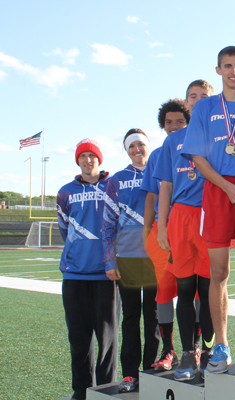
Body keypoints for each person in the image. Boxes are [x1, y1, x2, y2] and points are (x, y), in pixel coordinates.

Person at [181, 46, 235, 374]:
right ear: (218, 70)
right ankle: (221, 346)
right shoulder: (204, 108)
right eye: (228, 66)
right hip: (217, 194)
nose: (234, 71)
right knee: (218, 273)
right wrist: (227, 187)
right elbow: (198, 158)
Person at [154, 79, 215, 381]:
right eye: (193, 96)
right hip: (180, 218)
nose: (198, 100)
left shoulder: (220, 134)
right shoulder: (173, 140)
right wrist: (162, 225)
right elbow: (165, 186)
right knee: (185, 289)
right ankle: (188, 353)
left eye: (204, 96)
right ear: (188, 103)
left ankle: (210, 350)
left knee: (208, 289)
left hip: (209, 216)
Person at [57, 139, 119, 400]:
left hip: (106, 275)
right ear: (77, 160)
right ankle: (81, 392)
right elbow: (64, 228)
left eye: (91, 156)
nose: (87, 160)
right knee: (79, 340)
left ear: (99, 159)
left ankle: (106, 391)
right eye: (82, 156)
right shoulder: (65, 192)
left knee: (107, 341)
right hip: (75, 275)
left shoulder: (113, 187)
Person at [102, 129, 160, 392]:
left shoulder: (161, 171)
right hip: (126, 258)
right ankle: (129, 374)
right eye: (132, 146)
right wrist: (109, 260)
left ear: (148, 147)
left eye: (141, 145)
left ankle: (150, 369)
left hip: (156, 257)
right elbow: (107, 225)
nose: (138, 150)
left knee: (154, 315)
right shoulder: (116, 181)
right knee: (130, 317)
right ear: (127, 150)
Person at [140, 99, 190, 372]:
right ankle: (168, 348)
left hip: (190, 229)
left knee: (192, 291)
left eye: (179, 121)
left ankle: (193, 349)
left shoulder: (198, 147)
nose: (173, 126)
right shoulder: (158, 154)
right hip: (164, 231)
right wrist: (149, 229)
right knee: (164, 292)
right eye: (168, 122)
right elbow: (151, 195)